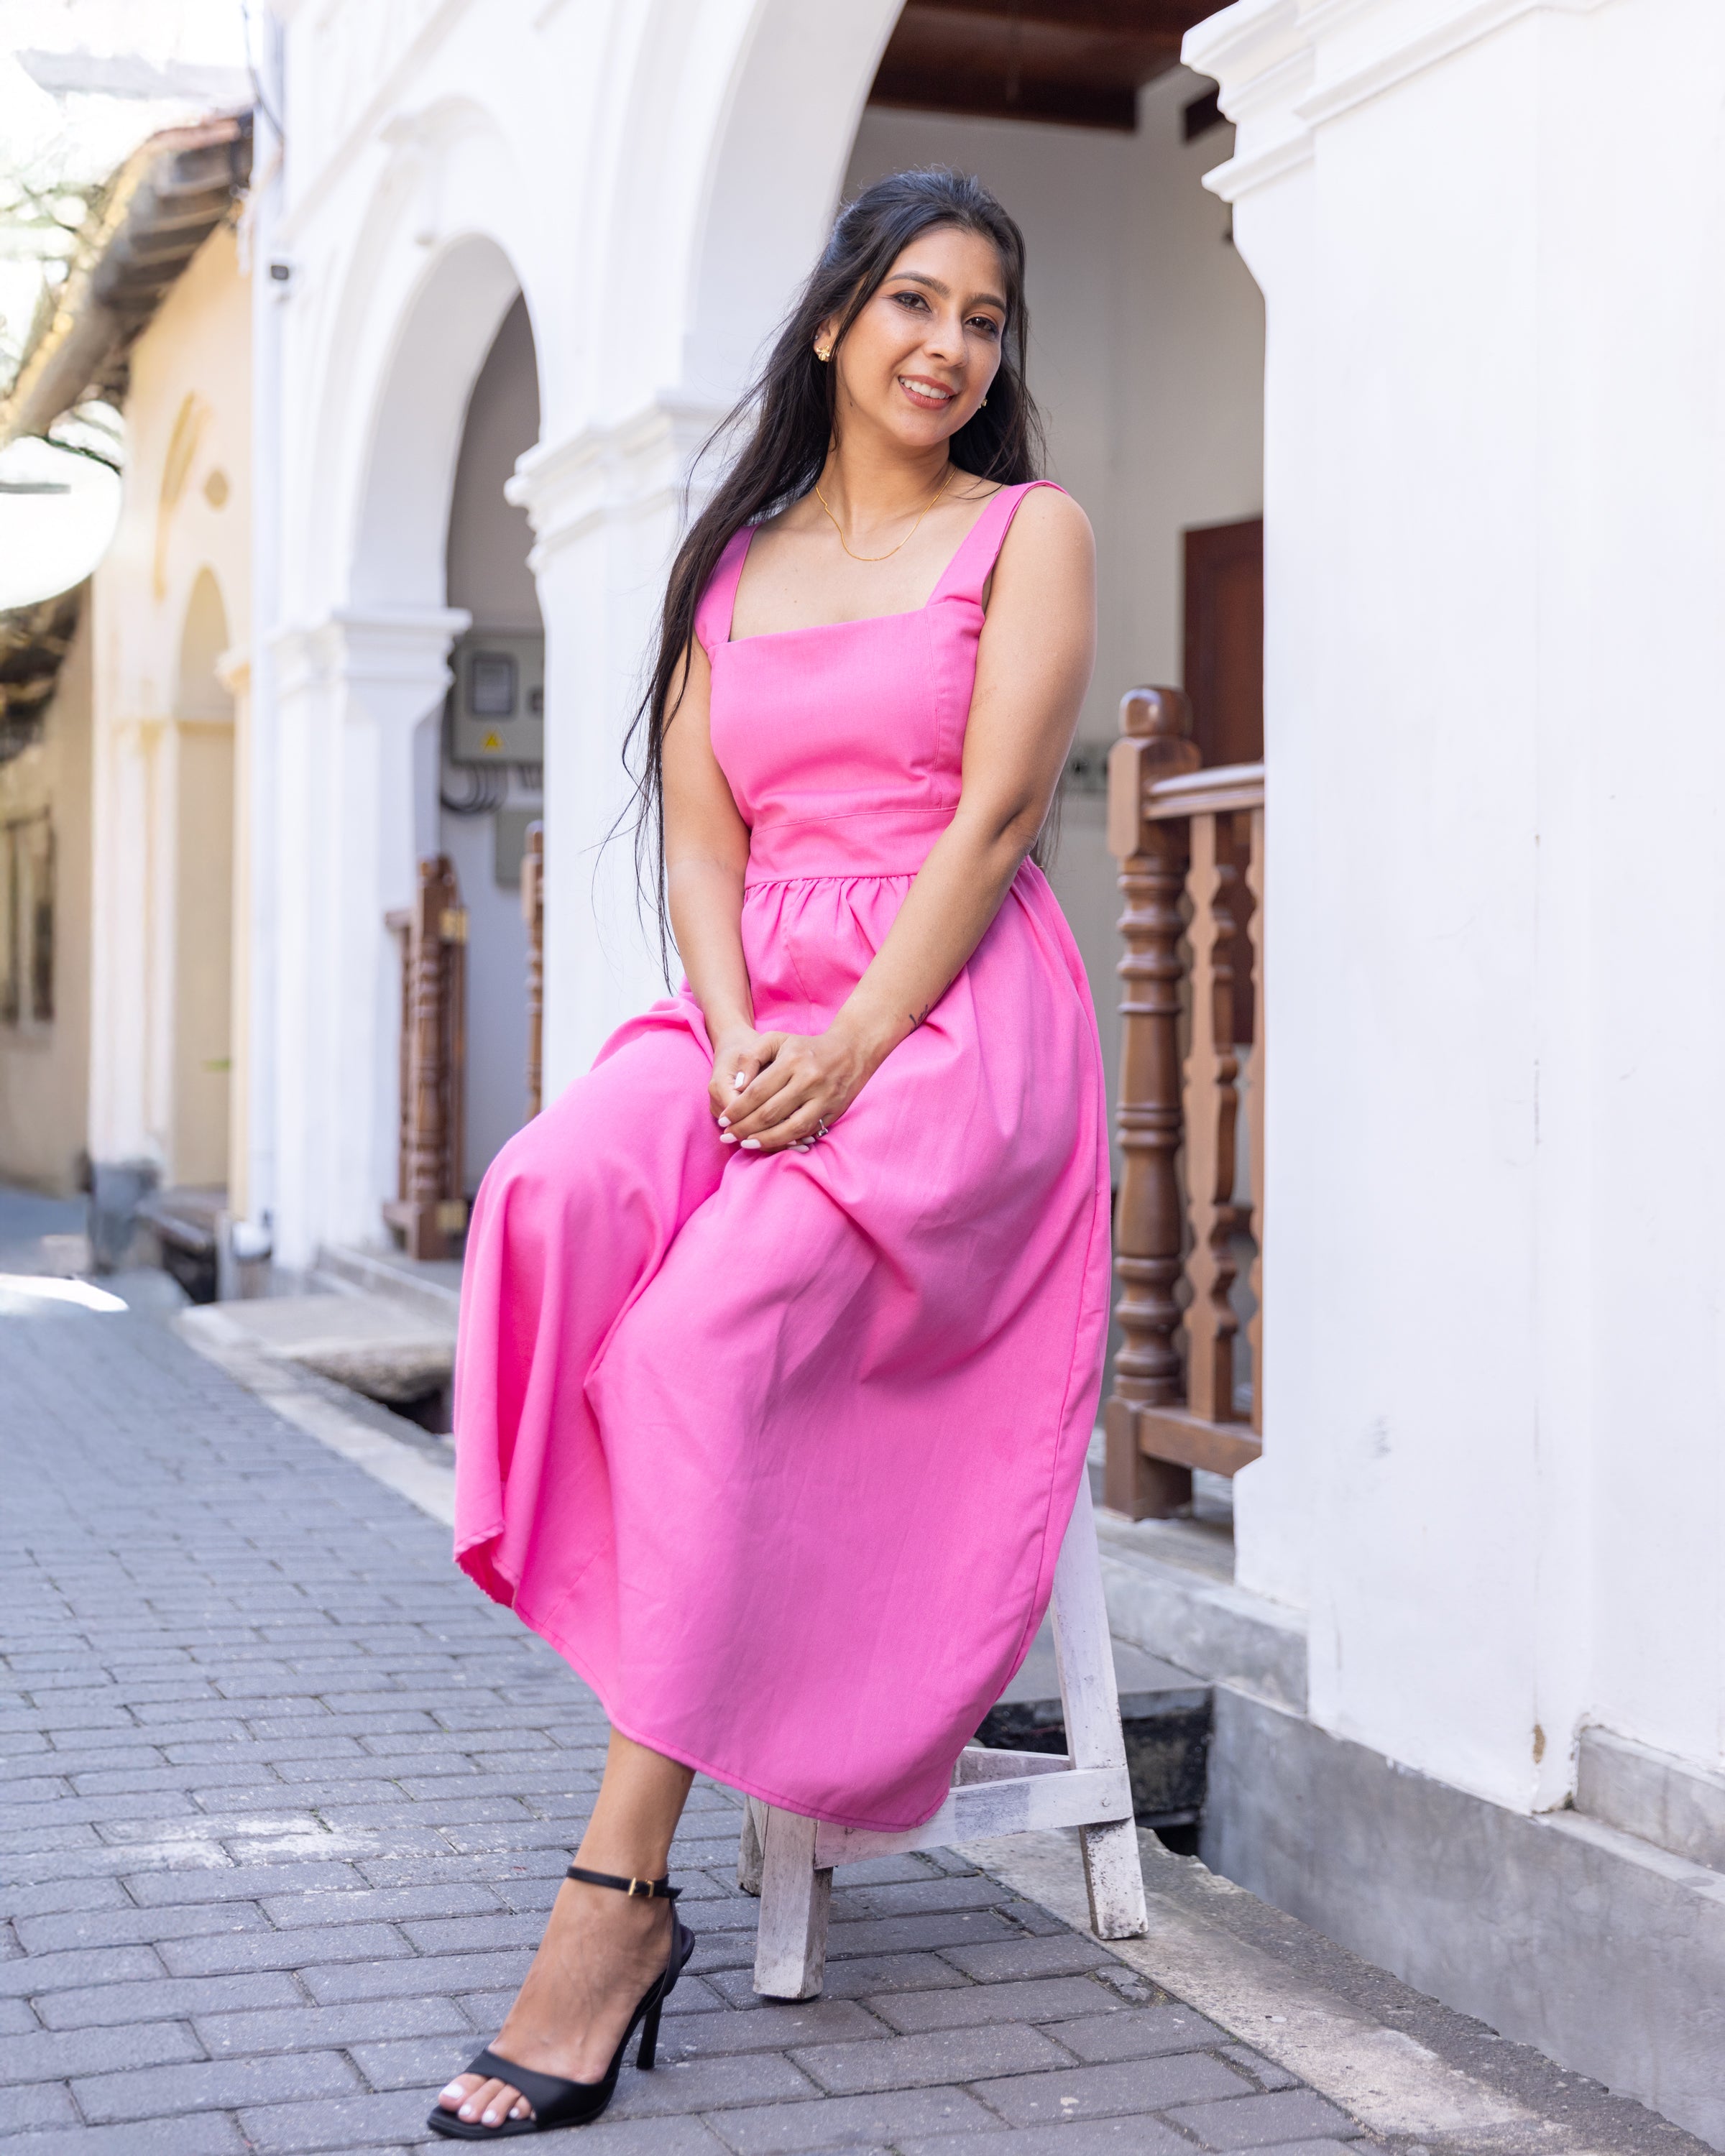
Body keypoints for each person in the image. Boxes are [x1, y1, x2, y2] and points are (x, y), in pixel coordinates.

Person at [429, 166, 1105, 2139]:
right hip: (758, 993)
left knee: (698, 1344)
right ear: (831, 324)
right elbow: (708, 837)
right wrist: (735, 1036)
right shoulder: (738, 561)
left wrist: (850, 1045)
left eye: (984, 318)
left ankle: (614, 1897)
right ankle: (700, 1644)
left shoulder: (1026, 534)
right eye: (912, 301)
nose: (947, 345)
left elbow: (991, 829)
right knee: (550, 1191)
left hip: (951, 1009)